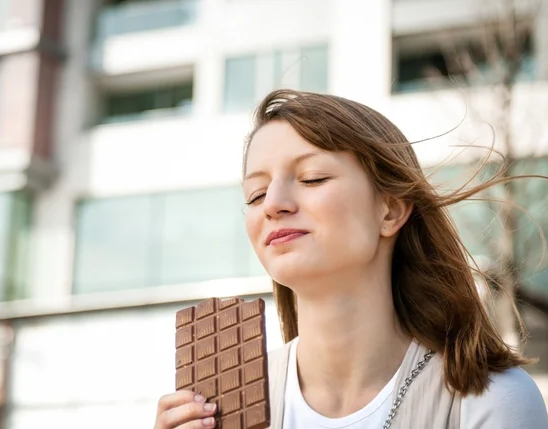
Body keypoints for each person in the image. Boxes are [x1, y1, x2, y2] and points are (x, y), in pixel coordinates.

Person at [153, 89, 548, 428]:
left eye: (312, 179)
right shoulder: (219, 408)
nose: (272, 204)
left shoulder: (488, 400)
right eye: (255, 195)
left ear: (390, 210)